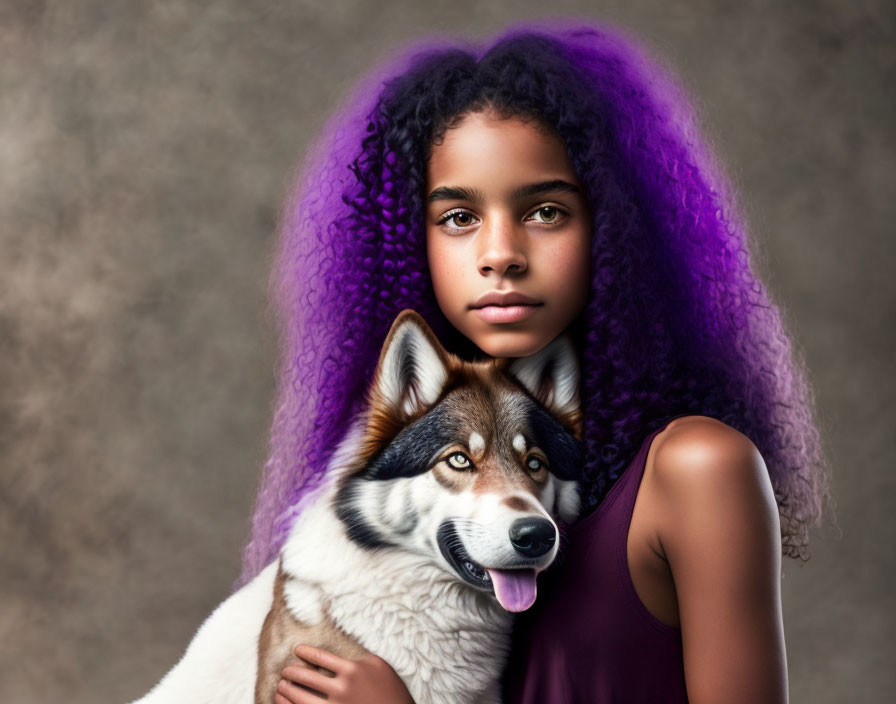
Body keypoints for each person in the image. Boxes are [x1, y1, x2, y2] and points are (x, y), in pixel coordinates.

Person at [236, 21, 830, 704]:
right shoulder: (406, 488)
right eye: (459, 217)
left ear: (614, 224)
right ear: (408, 238)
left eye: (545, 211)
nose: (501, 253)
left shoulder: (697, 468)